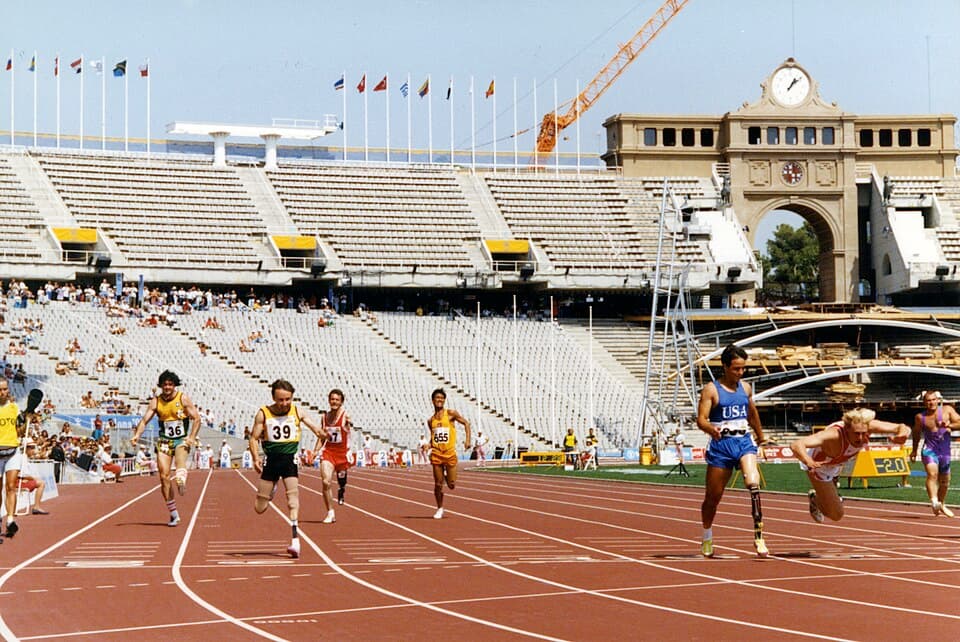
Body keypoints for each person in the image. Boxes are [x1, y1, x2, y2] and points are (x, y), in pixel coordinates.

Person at [697, 344, 768, 558]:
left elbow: (752, 413)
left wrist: (761, 438)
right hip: (722, 446)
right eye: (736, 369)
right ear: (725, 367)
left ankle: (759, 536)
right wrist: (710, 428)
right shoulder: (711, 389)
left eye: (743, 369)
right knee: (713, 497)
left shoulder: (745, 388)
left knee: (753, 484)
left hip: (743, 441)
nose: (740, 373)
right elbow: (701, 419)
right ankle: (707, 535)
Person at [792, 408, 911, 523]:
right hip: (819, 467)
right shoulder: (833, 434)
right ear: (847, 429)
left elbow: (902, 427)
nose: (860, 438)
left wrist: (902, 435)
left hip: (837, 463)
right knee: (836, 515)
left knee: (832, 500)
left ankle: (820, 496)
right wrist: (808, 461)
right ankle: (815, 499)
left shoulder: (869, 425)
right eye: (856, 434)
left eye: (864, 433)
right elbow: (797, 444)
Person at [249, 379, 325, 558]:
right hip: (271, 462)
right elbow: (253, 438)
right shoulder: (264, 413)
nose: (284, 404)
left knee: (293, 498)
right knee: (260, 507)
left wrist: (317, 442)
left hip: (289, 460)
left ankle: (295, 540)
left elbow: (316, 430)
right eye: (280, 400)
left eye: (288, 399)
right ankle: (272, 488)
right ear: (273, 398)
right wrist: (255, 457)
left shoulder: (297, 411)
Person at [130, 370, 201, 527]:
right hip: (164, 441)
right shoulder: (156, 402)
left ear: (174, 385)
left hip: (181, 439)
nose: (167, 387)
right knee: (163, 476)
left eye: (170, 384)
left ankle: (181, 478)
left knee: (180, 461)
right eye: (165, 384)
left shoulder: (183, 398)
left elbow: (197, 418)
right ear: (161, 386)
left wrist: (191, 436)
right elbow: (144, 421)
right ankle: (174, 514)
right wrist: (137, 435)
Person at [911, 390, 960, 517]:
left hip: (945, 451)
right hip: (929, 450)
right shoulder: (920, 417)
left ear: (938, 400)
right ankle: (934, 501)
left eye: (933, 400)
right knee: (932, 474)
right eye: (928, 400)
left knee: (945, 482)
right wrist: (914, 450)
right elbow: (916, 434)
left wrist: (950, 425)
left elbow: (959, 423)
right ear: (924, 402)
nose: (931, 402)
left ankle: (941, 503)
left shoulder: (947, 410)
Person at [427, 388, 471, 519]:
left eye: (442, 398)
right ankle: (439, 508)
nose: (439, 400)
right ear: (433, 400)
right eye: (437, 398)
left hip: (449, 453)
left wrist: (467, 440)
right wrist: (428, 445)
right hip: (436, 454)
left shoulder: (451, 413)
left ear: (444, 400)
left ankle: (447, 476)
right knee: (437, 484)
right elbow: (433, 437)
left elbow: (466, 423)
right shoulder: (431, 421)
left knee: (451, 485)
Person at [317, 389, 354, 523]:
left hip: (342, 454)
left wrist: (348, 424)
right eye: (332, 399)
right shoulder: (324, 417)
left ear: (341, 402)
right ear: (329, 400)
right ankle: (330, 512)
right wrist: (316, 451)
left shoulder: (345, 416)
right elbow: (321, 436)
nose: (334, 402)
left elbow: (348, 427)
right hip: (328, 452)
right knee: (326, 481)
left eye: (337, 400)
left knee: (341, 480)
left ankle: (341, 489)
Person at [0, 379, 23, 539]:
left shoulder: (15, 408)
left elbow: (20, 431)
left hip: (12, 452)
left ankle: (10, 520)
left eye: (5, 389)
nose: (3, 392)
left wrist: (26, 421)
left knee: (11, 487)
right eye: (0, 390)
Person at [13, 439, 48, 514]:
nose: (33, 450)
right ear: (26, 448)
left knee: (40, 482)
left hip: (21, 481)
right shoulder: (22, 458)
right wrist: (32, 478)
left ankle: (37, 506)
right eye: (31, 448)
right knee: (41, 483)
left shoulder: (23, 457)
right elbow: (21, 474)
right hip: (19, 482)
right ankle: (36, 507)